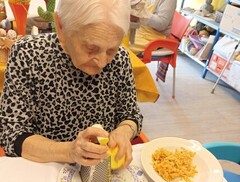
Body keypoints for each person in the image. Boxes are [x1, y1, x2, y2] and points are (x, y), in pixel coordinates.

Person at [0, 0, 143, 168]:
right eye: (91, 48)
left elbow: (131, 115)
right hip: (45, 169)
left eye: (111, 49)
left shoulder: (120, 59)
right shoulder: (27, 55)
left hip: (100, 172)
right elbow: (12, 134)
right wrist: (69, 151)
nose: (103, 62)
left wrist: (124, 131)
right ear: (61, 26)